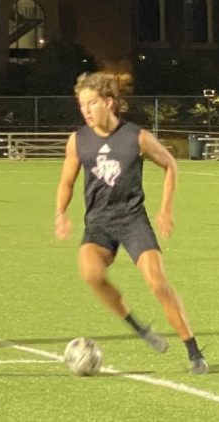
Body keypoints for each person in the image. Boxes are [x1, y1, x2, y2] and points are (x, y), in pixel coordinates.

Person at [54, 72, 207, 375]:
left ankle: (193, 351)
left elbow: (170, 165)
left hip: (132, 219)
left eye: (91, 102)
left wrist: (166, 209)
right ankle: (137, 326)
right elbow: (66, 181)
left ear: (109, 103)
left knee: (158, 284)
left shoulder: (136, 138)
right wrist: (60, 212)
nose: (85, 110)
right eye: (82, 104)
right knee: (91, 273)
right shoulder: (78, 141)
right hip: (98, 223)